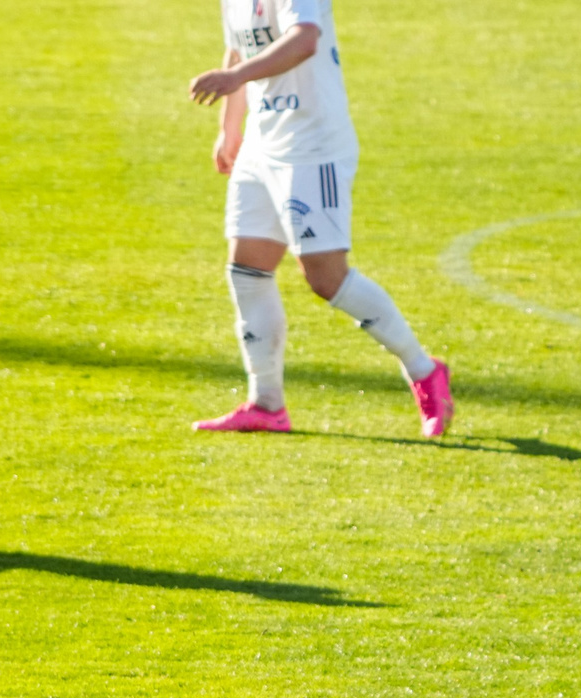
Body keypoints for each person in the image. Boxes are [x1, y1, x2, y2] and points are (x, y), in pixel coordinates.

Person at [188, 0, 451, 436]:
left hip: (313, 147)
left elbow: (303, 40)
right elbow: (236, 51)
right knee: (247, 267)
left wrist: (235, 79)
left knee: (326, 277)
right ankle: (267, 404)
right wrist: (230, 126)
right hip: (262, 143)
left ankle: (424, 371)